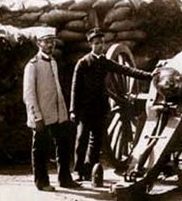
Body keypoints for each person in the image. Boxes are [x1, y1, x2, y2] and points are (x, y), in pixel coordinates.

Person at [70, 28, 153, 181]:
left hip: (100, 108)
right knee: (81, 139)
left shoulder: (104, 62)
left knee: (96, 141)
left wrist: (149, 76)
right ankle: (78, 171)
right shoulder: (83, 63)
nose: (100, 46)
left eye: (102, 43)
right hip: (85, 109)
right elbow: (75, 88)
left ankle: (91, 170)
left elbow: (126, 70)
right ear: (91, 45)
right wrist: (73, 110)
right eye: (96, 43)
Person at [23, 28, 79, 191]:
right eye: (46, 41)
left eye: (52, 41)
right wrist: (37, 117)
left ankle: (65, 179)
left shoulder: (53, 62)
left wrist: (64, 112)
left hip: (57, 114)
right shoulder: (32, 66)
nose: (50, 45)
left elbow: (57, 89)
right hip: (41, 115)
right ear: (38, 43)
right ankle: (42, 182)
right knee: (40, 150)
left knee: (63, 145)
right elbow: (29, 94)